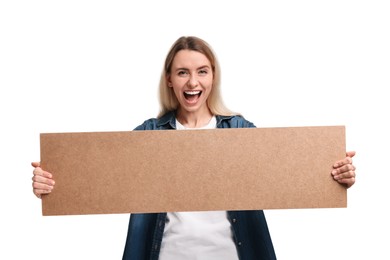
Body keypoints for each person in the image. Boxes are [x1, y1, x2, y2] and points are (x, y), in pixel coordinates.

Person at [32, 36, 357, 260]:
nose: (192, 82)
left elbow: (288, 171)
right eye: (183, 72)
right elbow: (97, 176)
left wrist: (335, 174)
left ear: (213, 77)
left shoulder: (239, 131)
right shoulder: (149, 135)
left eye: (202, 71)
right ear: (170, 79)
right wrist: (52, 183)